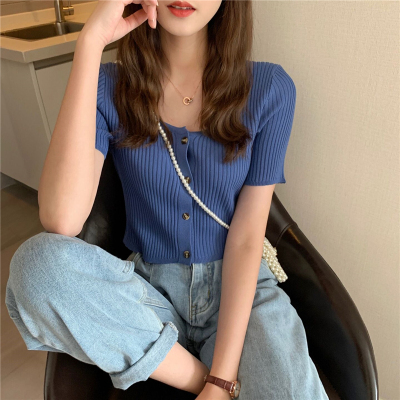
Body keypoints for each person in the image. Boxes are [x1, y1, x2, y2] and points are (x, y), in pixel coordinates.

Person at [5, 1, 329, 399]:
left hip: (240, 294)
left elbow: (248, 238)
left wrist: (224, 374)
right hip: (149, 294)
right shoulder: (108, 86)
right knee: (36, 266)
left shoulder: (269, 88)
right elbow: (61, 219)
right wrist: (90, 43)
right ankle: (196, 376)